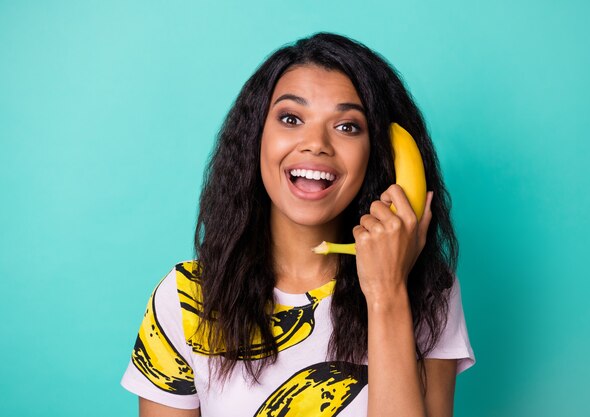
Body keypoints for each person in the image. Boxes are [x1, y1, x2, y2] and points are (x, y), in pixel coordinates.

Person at [121, 32, 475, 417]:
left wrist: (387, 293)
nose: (315, 143)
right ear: (256, 137)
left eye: (347, 126)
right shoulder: (187, 300)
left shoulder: (428, 292)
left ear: (377, 154)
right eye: (291, 118)